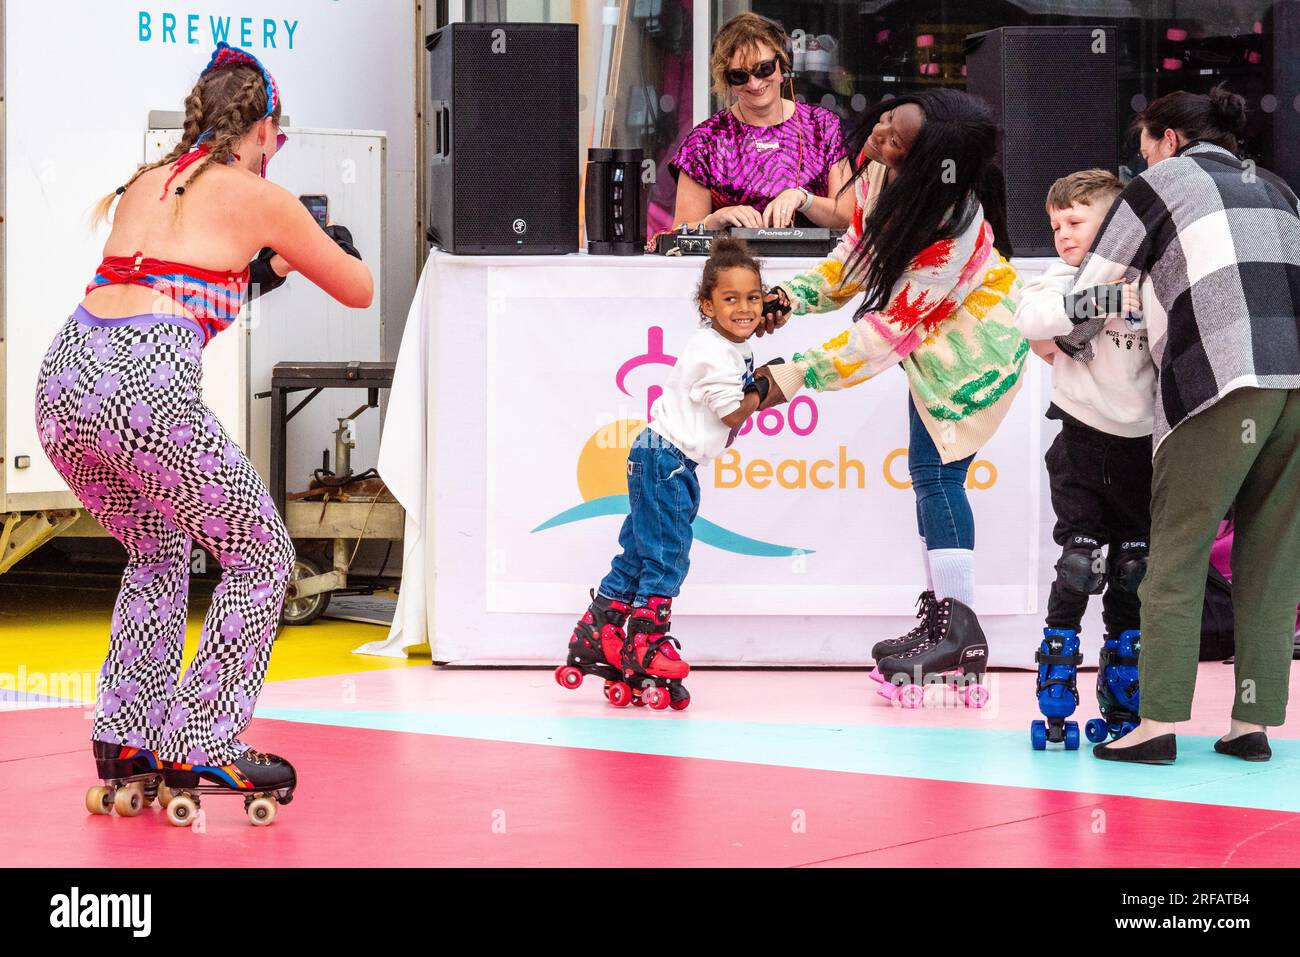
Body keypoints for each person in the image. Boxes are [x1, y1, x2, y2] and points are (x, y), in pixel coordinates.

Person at [36, 42, 373, 824]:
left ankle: (127, 738)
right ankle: (200, 738)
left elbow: (178, 268)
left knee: (156, 545)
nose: (274, 152)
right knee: (260, 553)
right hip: (142, 385)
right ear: (260, 131)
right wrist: (313, 241)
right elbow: (355, 288)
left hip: (63, 381)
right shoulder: (263, 194)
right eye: (276, 139)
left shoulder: (148, 183)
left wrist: (265, 266)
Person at [753, 88, 1027, 705]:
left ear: (925, 163)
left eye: (893, 137)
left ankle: (960, 630)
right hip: (932, 339)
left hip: (973, 351)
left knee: (938, 477)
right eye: (883, 120)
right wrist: (784, 301)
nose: (877, 134)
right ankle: (948, 623)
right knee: (929, 476)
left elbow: (880, 338)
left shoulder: (953, 230)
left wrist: (790, 376)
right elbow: (847, 267)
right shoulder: (881, 179)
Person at [1057, 86, 1300, 765]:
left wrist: (1072, 338)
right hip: (1296, 386)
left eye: (1143, 149)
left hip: (1222, 379)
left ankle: (1157, 723)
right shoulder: (1278, 188)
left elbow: (1089, 293)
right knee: (1273, 558)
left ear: (1166, 140)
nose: (1141, 162)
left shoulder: (1159, 184)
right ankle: (1251, 724)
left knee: (1177, 551)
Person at [556, 238, 771, 711]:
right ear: (706, 304)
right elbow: (735, 412)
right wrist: (770, 387)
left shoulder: (727, 342)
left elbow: (748, 341)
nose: (744, 308)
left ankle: (601, 628)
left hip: (660, 456)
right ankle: (646, 641)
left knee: (640, 548)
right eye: (730, 299)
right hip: (668, 460)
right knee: (667, 553)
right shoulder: (712, 352)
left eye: (753, 297)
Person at [1014, 169, 1154, 749]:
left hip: (1142, 447)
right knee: (1079, 561)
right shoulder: (1056, 279)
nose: (1062, 234)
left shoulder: (1151, 277)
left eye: (1076, 221)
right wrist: (1096, 296)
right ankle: (1056, 680)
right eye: (1055, 225)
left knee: (1132, 568)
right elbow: (1034, 322)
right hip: (1079, 441)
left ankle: (1123, 691)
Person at [669, 12, 850, 231]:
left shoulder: (822, 125)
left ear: (782, 66)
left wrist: (804, 200)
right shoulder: (705, 141)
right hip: (733, 262)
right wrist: (716, 219)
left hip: (812, 264)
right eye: (740, 76)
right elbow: (680, 231)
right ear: (728, 82)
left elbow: (847, 216)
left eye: (763, 69)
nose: (754, 84)